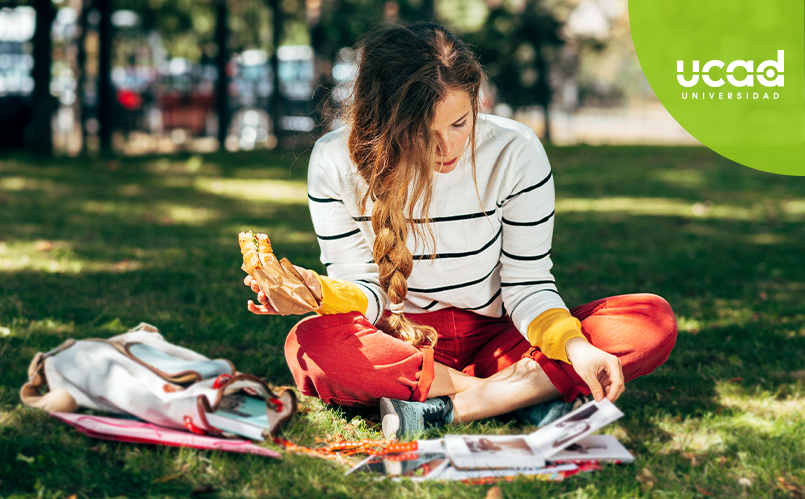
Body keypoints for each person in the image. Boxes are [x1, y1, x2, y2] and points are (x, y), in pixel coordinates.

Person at [243, 22, 677, 440]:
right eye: (422, 131)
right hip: (401, 342)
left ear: (477, 102)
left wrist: (576, 348)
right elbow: (366, 292)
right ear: (385, 122)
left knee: (649, 320)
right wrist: (319, 293)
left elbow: (528, 286)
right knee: (311, 344)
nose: (446, 149)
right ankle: (522, 395)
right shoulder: (334, 162)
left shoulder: (515, 151)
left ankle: (453, 407)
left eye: (459, 123)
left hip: (500, 339)